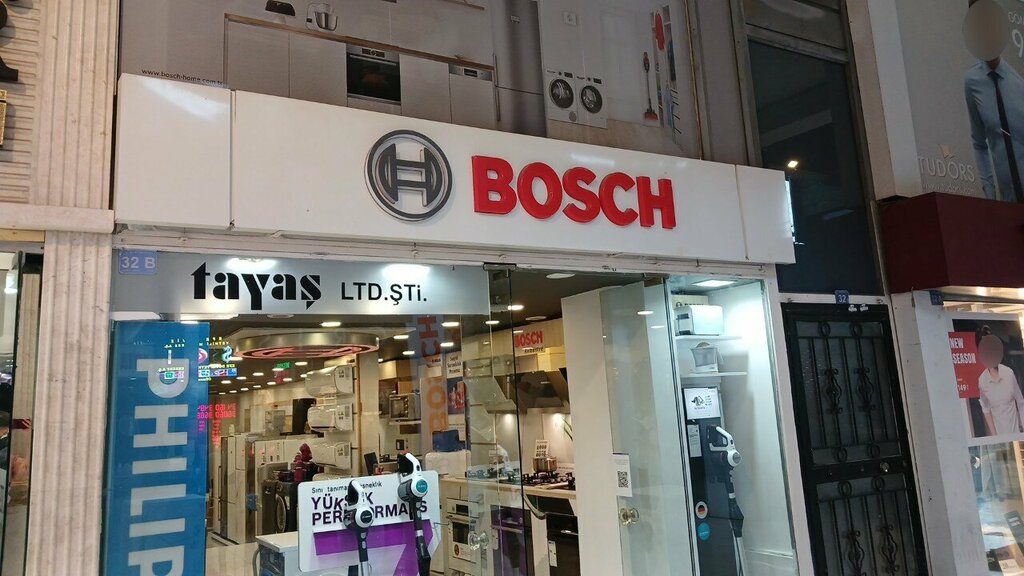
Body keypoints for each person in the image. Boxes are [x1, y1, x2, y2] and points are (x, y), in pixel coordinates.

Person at [963, 0, 1024, 203]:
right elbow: (979, 143)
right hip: (1008, 204)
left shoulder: (1018, 84)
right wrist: (989, 194)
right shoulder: (972, 82)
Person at [977, 331, 1024, 436]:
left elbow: (1020, 402)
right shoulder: (982, 380)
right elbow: (986, 408)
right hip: (1000, 435)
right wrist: (995, 437)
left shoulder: (1008, 373)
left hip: (1016, 432)